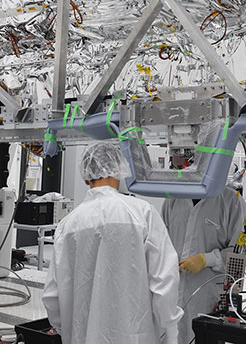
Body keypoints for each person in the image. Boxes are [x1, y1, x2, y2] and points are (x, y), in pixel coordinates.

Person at [42, 142, 183, 344]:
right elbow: (164, 280)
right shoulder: (143, 214)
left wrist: (67, 328)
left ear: (85, 177)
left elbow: (52, 295)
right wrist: (169, 328)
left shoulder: (68, 224)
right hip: (135, 336)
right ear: (119, 169)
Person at [162, 152, 246, 344]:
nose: (180, 172)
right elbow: (162, 244)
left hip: (208, 298)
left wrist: (206, 259)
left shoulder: (231, 201)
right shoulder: (173, 199)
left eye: (183, 167)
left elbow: (239, 255)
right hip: (172, 295)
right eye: (177, 168)